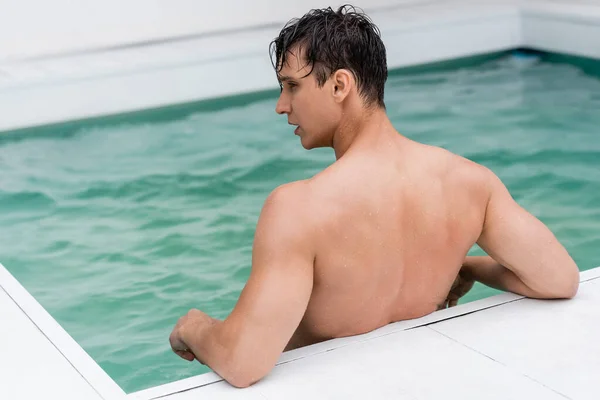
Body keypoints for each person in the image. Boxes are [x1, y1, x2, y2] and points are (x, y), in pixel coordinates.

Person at [169, 4, 579, 388]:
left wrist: (195, 327)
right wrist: (470, 266)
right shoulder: (469, 181)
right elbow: (559, 279)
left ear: (340, 85)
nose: (281, 106)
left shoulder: (298, 208)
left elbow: (243, 362)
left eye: (292, 86)